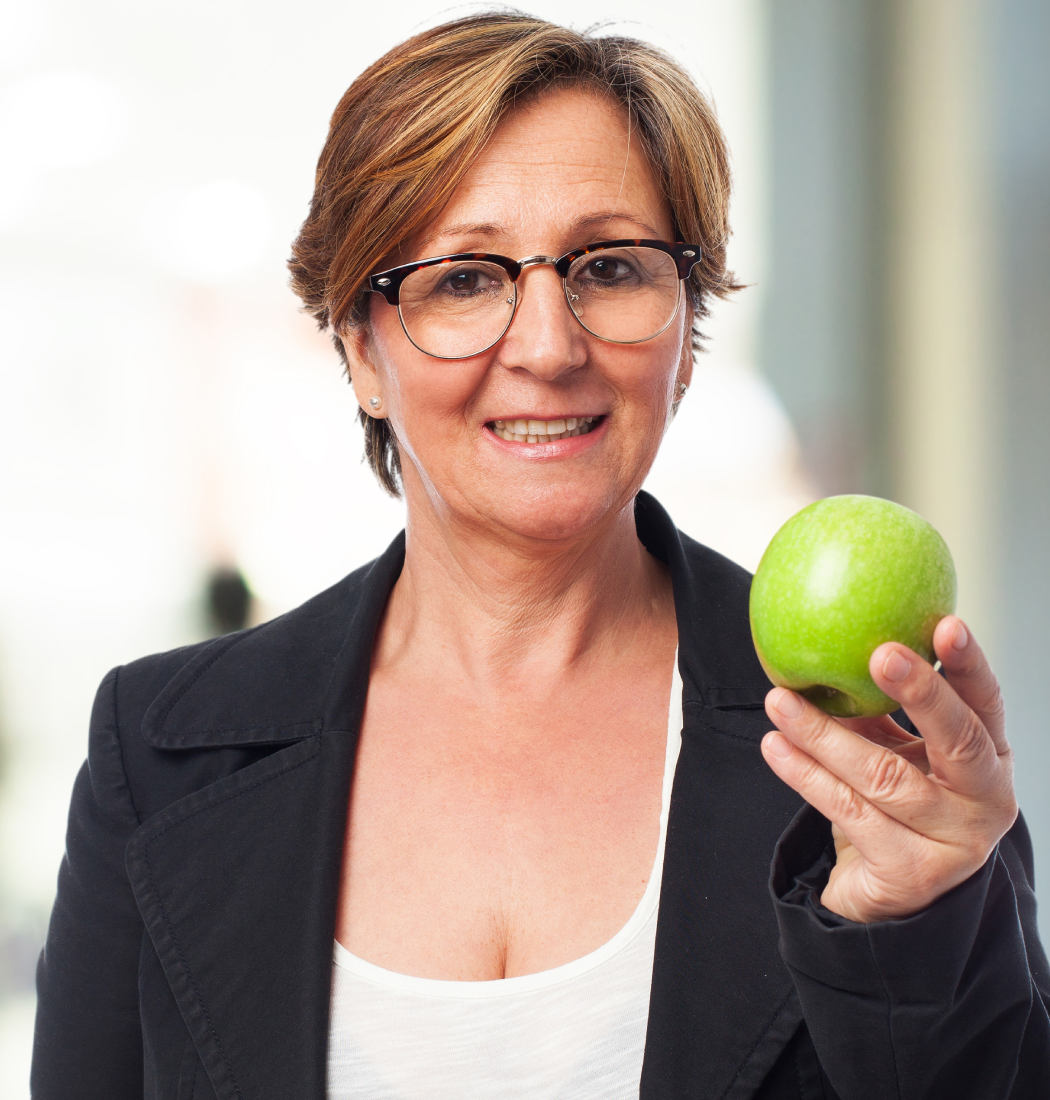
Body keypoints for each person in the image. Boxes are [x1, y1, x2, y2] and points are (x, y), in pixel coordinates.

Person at [30, 12, 1049, 1100]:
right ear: (361, 350)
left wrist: (921, 938)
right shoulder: (158, 751)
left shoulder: (872, 749)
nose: (551, 346)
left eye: (609, 266)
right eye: (465, 278)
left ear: (686, 334)